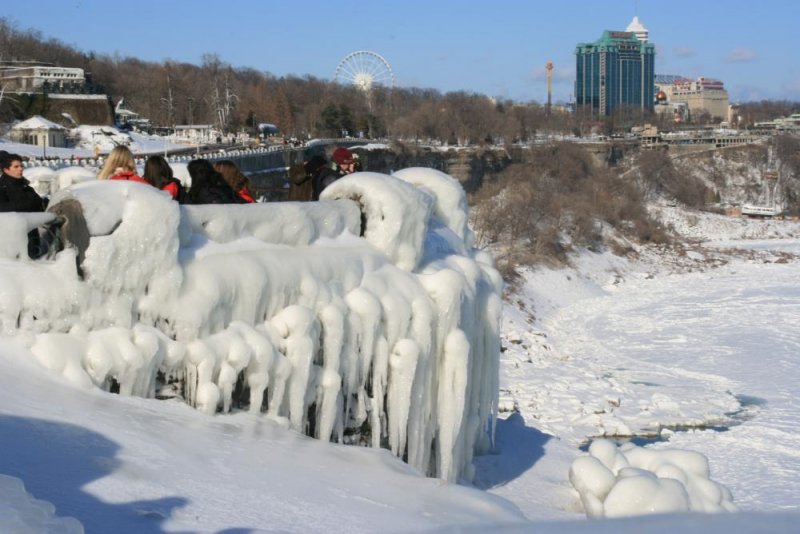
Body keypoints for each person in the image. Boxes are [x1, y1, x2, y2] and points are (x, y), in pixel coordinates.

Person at [0, 152, 48, 257]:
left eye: (21, 166)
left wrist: (45, 203)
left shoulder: (25, 186)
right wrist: (24, 205)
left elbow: (37, 204)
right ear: (6, 170)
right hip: (12, 242)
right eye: (16, 167)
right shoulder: (2, 187)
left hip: (32, 237)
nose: (20, 169)